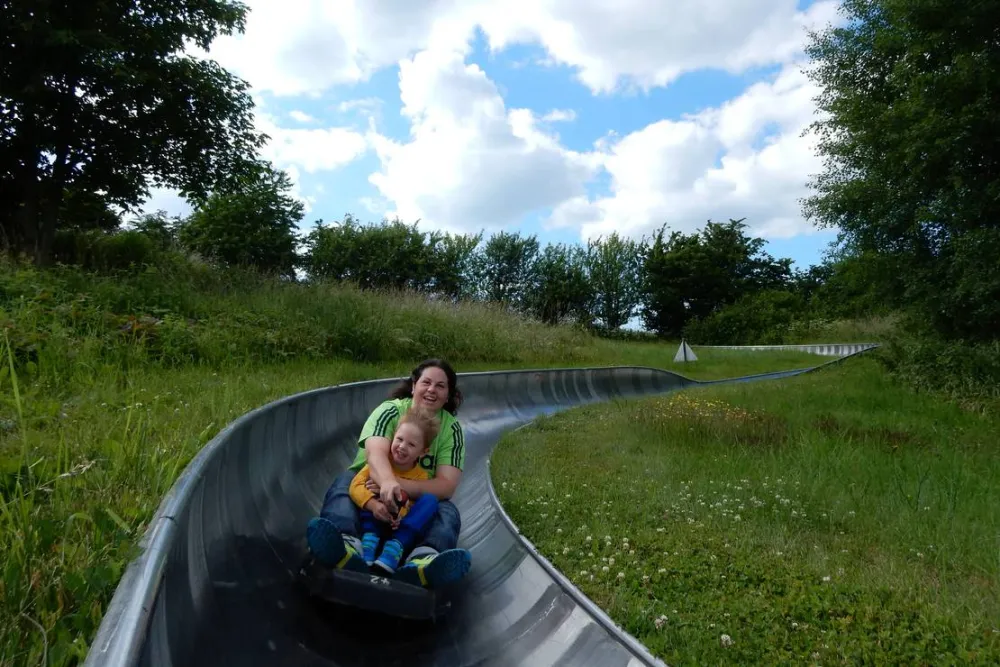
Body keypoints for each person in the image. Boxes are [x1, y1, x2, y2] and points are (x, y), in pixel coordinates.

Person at [306, 359, 471, 589]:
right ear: (414, 386)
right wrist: (385, 483)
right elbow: (375, 453)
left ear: (448, 395)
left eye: (440, 386)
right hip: (369, 487)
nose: (432, 390)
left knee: (446, 509)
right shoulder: (390, 410)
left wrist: (399, 487)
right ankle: (345, 544)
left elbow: (446, 485)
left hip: (413, 502)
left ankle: (425, 560)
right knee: (345, 484)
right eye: (426, 382)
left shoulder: (451, 429)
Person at [349, 406, 440, 573]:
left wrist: (400, 514)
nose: (402, 447)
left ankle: (394, 548)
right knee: (375, 492)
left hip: (399, 528)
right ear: (392, 438)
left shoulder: (421, 477)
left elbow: (413, 506)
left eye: (411, 444)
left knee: (431, 501)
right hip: (373, 519)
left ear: (423, 452)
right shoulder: (381, 465)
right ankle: (368, 542)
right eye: (399, 439)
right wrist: (373, 505)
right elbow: (355, 485)